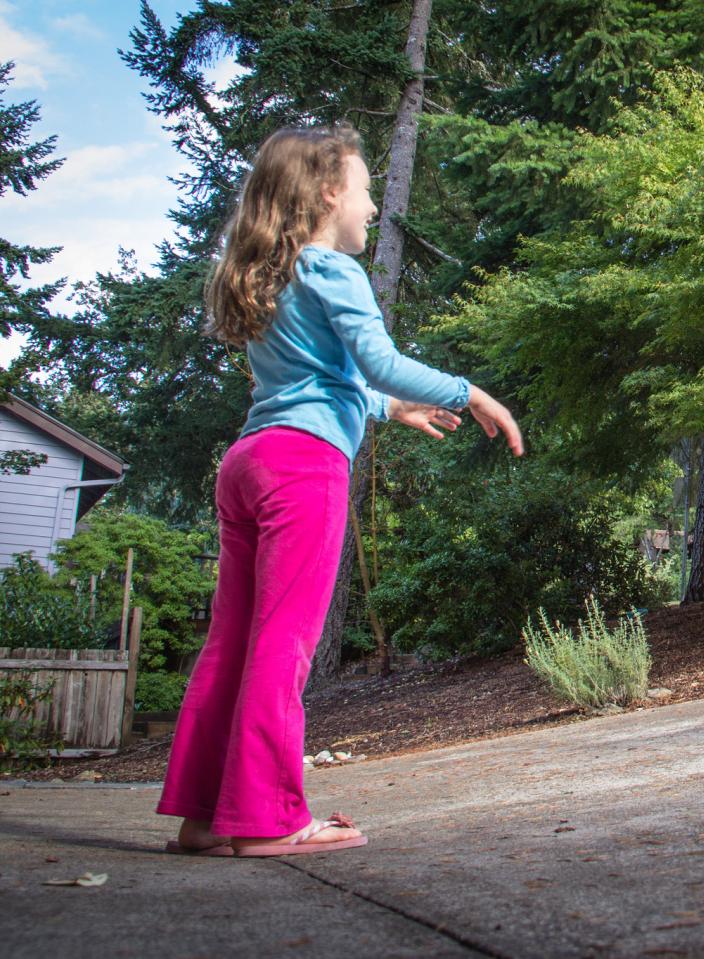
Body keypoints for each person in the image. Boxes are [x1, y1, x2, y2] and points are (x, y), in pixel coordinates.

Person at [157, 123, 524, 856]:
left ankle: (204, 818)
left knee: (230, 642)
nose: (371, 207)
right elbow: (378, 360)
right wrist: (469, 390)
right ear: (328, 193)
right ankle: (267, 818)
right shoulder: (333, 269)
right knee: (284, 645)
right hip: (302, 468)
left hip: (251, 460)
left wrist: (390, 409)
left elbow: (321, 383)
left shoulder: (276, 272)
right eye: (363, 190)